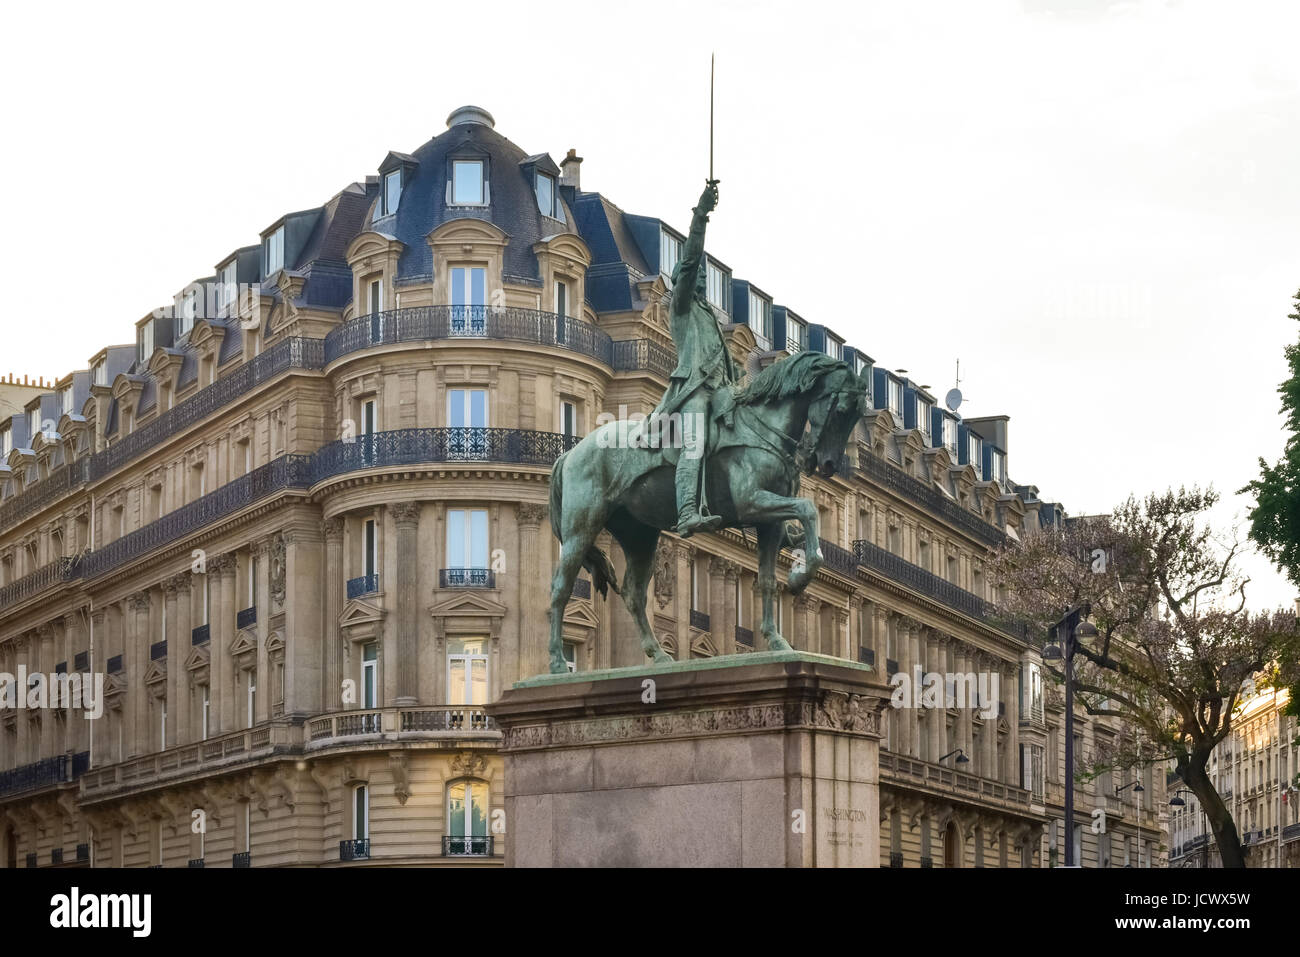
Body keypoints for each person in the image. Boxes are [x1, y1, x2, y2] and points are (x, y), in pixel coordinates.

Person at [651, 178, 738, 537]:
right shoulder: (682, 306)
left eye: (704, 274)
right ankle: (687, 509)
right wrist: (700, 216)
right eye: (696, 273)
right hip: (693, 391)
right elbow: (688, 261)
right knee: (695, 443)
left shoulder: (711, 317)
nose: (701, 276)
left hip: (722, 391)